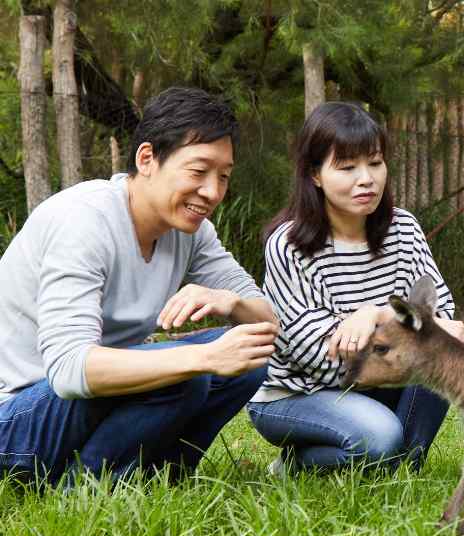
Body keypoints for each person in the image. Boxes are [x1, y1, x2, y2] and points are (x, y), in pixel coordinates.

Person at [0, 87, 278, 485]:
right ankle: (86, 489)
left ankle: (160, 475)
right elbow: (68, 370)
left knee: (250, 350)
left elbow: (268, 325)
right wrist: (199, 358)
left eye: (224, 177)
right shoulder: (83, 222)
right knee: (187, 372)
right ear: (146, 158)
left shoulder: (191, 231)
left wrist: (229, 300)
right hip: (19, 419)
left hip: (83, 404)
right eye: (198, 172)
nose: (213, 192)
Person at [248, 102, 464, 475]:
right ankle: (296, 465)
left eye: (375, 162)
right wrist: (413, 334)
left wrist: (376, 314)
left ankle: (398, 466)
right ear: (315, 174)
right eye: (347, 167)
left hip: (376, 381)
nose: (366, 179)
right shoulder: (289, 245)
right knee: (379, 438)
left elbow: (448, 326)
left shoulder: (403, 228)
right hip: (299, 394)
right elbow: (322, 362)